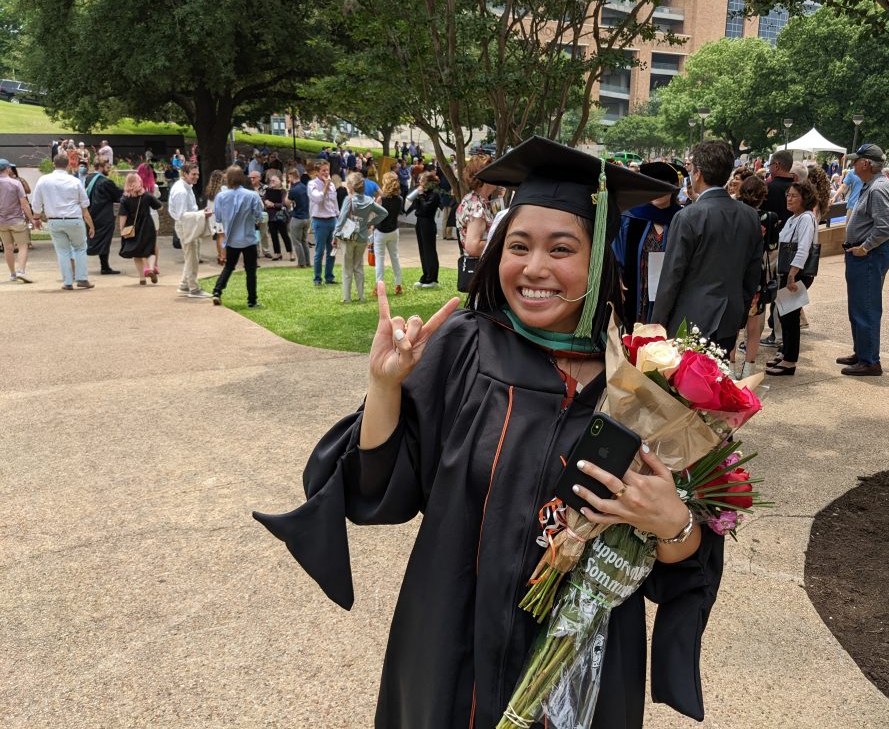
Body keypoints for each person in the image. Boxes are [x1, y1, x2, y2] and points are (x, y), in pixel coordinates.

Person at [254, 136, 719, 729]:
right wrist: (384, 385)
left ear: (598, 258)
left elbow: (686, 562)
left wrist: (671, 522)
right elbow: (378, 488)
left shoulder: (646, 389)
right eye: (518, 245)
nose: (535, 268)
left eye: (562, 248)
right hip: (451, 643)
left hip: (577, 670)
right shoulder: (464, 350)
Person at [653, 140, 763, 352]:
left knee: (687, 383)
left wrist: (657, 324)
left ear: (698, 174)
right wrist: (739, 312)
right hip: (729, 317)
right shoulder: (750, 216)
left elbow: (672, 276)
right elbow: (752, 274)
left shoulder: (688, 216)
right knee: (718, 380)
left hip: (690, 320)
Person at [839, 143, 889, 377]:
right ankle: (862, 352)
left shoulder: (878, 188)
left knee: (866, 308)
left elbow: (886, 227)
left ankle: (870, 360)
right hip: (862, 256)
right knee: (858, 307)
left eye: (855, 161)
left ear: (865, 164)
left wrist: (864, 247)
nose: (852, 165)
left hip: (869, 256)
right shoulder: (871, 185)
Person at [611, 161, 683, 328]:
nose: (658, 192)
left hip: (668, 292)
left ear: (673, 188)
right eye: (653, 186)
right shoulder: (630, 217)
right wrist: (618, 279)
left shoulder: (681, 219)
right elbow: (616, 253)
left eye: (663, 186)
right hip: (636, 291)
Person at [764, 182, 817, 376]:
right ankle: (785, 352)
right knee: (785, 315)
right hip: (788, 272)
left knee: (791, 317)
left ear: (805, 198)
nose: (789, 198)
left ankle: (789, 360)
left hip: (796, 273)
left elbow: (803, 247)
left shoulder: (806, 219)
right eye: (788, 195)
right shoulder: (794, 218)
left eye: (794, 195)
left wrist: (793, 273)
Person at [734, 175, 779, 379]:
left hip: (733, 273)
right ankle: (749, 368)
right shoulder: (769, 218)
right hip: (757, 274)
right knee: (754, 325)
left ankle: (728, 365)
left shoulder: (733, 214)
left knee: (732, 324)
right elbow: (772, 248)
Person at [31, 152, 96, 290]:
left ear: (54, 164)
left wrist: (36, 218)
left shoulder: (43, 180)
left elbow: (36, 203)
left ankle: (67, 281)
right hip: (74, 219)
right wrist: (91, 225)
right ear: (68, 164)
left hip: (54, 220)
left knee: (62, 251)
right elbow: (84, 205)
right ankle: (82, 278)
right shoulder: (75, 181)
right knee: (80, 248)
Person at [211, 166, 263, 308]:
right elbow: (259, 215)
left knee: (229, 266)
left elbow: (219, 217)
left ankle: (217, 291)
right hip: (248, 237)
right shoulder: (252, 195)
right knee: (251, 270)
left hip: (232, 239)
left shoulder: (221, 196)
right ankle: (252, 301)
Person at [333, 172, 388, 303]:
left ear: (351, 187)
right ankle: (361, 296)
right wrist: (370, 223)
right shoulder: (369, 200)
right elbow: (384, 213)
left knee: (347, 268)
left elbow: (341, 220)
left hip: (348, 237)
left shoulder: (349, 200)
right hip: (362, 237)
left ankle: (347, 298)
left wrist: (334, 236)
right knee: (358, 267)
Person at [169, 162, 212, 298]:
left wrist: (200, 213)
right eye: (193, 174)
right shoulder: (181, 191)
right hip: (185, 226)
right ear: (185, 174)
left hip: (188, 224)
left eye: (197, 174)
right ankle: (194, 289)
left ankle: (184, 284)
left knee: (191, 256)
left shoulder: (186, 187)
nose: (196, 177)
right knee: (192, 257)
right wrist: (201, 214)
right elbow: (182, 216)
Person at [118, 173, 162, 284]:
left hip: (132, 227)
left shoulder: (124, 198)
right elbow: (159, 206)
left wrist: (122, 229)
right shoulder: (146, 195)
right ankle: (151, 269)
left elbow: (123, 216)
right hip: (148, 225)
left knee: (136, 253)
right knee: (150, 250)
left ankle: (142, 278)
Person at [0, 159, 39, 283]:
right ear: (7, 169)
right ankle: (21, 271)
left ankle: (12, 274)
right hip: (16, 220)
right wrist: (32, 219)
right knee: (23, 246)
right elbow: (24, 203)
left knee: (8, 248)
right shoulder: (16, 183)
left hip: (1, 221)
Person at [84, 158, 124, 275]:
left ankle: (102, 266)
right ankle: (105, 267)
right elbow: (117, 196)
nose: (109, 170)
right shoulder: (105, 182)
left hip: (91, 214)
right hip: (104, 215)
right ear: (101, 167)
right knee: (104, 241)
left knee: (91, 239)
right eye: (107, 167)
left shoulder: (88, 178)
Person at [454, 155, 497, 258]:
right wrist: (502, 244)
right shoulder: (476, 205)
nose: (497, 175)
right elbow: (473, 247)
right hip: (479, 269)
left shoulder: (477, 200)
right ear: (485, 176)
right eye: (494, 172)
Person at [406, 171, 442, 288]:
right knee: (422, 251)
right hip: (420, 222)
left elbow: (427, 208)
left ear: (428, 182)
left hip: (428, 223)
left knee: (429, 251)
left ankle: (433, 279)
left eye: (422, 180)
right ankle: (425, 276)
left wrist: (421, 195)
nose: (419, 183)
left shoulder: (435, 193)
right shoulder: (424, 193)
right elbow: (416, 207)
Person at [308, 160, 340, 286]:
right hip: (320, 221)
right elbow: (317, 199)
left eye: (327, 170)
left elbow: (335, 203)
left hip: (332, 220)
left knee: (332, 251)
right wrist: (325, 186)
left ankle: (329, 277)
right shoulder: (312, 185)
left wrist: (338, 218)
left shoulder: (332, 185)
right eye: (323, 171)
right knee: (319, 251)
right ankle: (317, 278)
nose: (326, 173)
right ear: (317, 172)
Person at [375, 171, 404, 294]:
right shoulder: (400, 199)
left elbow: (376, 215)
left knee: (380, 259)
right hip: (394, 230)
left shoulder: (381, 199)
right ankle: (398, 284)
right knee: (395, 257)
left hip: (381, 231)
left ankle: (379, 287)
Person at [136, 162, 161, 276]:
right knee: (154, 241)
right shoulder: (154, 187)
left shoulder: (137, 187)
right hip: (154, 216)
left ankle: (146, 267)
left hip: (141, 217)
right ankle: (154, 265)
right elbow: (158, 197)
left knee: (142, 241)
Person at [262, 174, 292, 261]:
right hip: (270, 216)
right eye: (271, 180)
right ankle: (278, 253)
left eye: (274, 180)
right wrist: (266, 201)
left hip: (280, 216)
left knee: (284, 235)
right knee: (273, 236)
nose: (272, 182)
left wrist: (273, 204)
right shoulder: (268, 190)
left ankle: (291, 253)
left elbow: (283, 203)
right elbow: (264, 199)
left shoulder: (283, 191)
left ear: (279, 181)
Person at [284, 168, 310, 268]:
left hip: (297, 217)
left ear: (291, 176)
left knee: (297, 242)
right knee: (304, 241)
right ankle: (307, 262)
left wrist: (288, 191)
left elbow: (287, 202)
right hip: (307, 217)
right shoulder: (305, 187)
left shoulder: (293, 190)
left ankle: (301, 263)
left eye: (288, 177)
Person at [205, 170, 227, 265]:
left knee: (219, 236)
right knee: (223, 236)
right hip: (221, 216)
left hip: (213, 216)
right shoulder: (223, 189)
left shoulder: (210, 190)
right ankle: (223, 257)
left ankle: (219, 254)